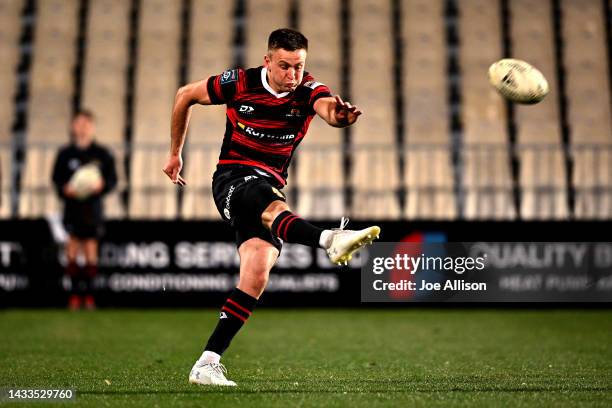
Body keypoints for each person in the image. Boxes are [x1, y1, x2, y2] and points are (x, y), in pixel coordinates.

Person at [163, 28, 380, 386]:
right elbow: (185, 95)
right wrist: (174, 153)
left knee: (256, 273)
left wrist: (341, 117)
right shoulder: (240, 83)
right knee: (265, 200)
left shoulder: (308, 90)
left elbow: (328, 110)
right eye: (284, 66)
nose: (292, 75)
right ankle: (330, 239)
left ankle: (206, 363)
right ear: (267, 61)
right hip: (232, 179)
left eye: (298, 67)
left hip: (269, 185)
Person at [52, 110, 117, 310]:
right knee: (71, 251)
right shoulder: (65, 154)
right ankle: (73, 296)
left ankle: (88, 296)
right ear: (73, 126)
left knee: (90, 251)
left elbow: (112, 181)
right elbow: (57, 179)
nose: (82, 127)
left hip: (92, 209)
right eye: (78, 123)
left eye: (86, 124)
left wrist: (102, 186)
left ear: (92, 126)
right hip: (72, 209)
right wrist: (65, 189)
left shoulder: (102, 154)